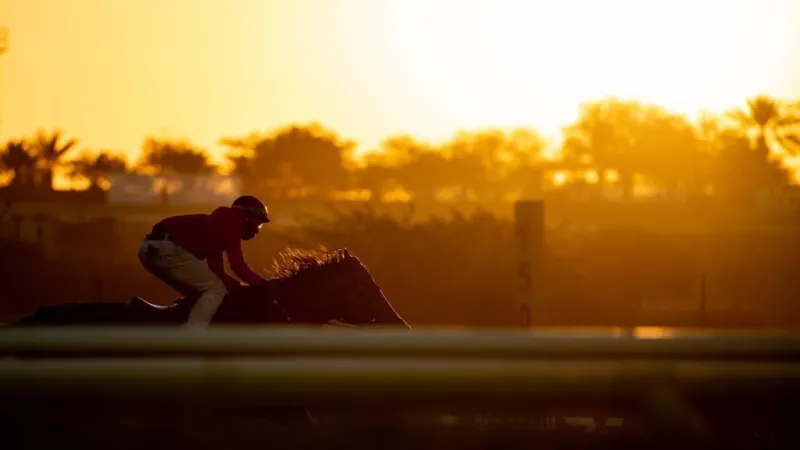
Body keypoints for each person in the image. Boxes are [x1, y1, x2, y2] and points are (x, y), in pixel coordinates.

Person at [138, 195, 271, 327]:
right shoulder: (233, 221)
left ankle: (180, 327)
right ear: (247, 217)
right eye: (258, 223)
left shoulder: (219, 225)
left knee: (200, 293)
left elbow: (217, 272)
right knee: (216, 289)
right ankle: (193, 336)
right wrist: (265, 287)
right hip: (167, 249)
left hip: (151, 250)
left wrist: (240, 287)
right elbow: (238, 266)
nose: (257, 231)